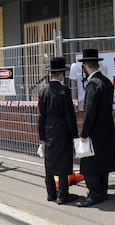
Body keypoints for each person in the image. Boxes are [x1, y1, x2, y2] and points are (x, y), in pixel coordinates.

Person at [76, 49, 115, 207]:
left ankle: (94, 194)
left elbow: (90, 112)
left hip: (95, 131)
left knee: (90, 165)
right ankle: (103, 192)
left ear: (86, 65)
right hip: (107, 129)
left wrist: (84, 133)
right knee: (103, 163)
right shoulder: (106, 81)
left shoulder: (93, 84)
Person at [38, 57, 79, 205]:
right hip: (63, 129)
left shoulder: (43, 92)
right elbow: (70, 115)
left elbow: (41, 116)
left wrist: (41, 136)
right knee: (63, 161)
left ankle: (51, 193)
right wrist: (75, 135)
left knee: (49, 161)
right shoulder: (64, 91)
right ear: (62, 73)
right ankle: (63, 194)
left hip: (48, 130)